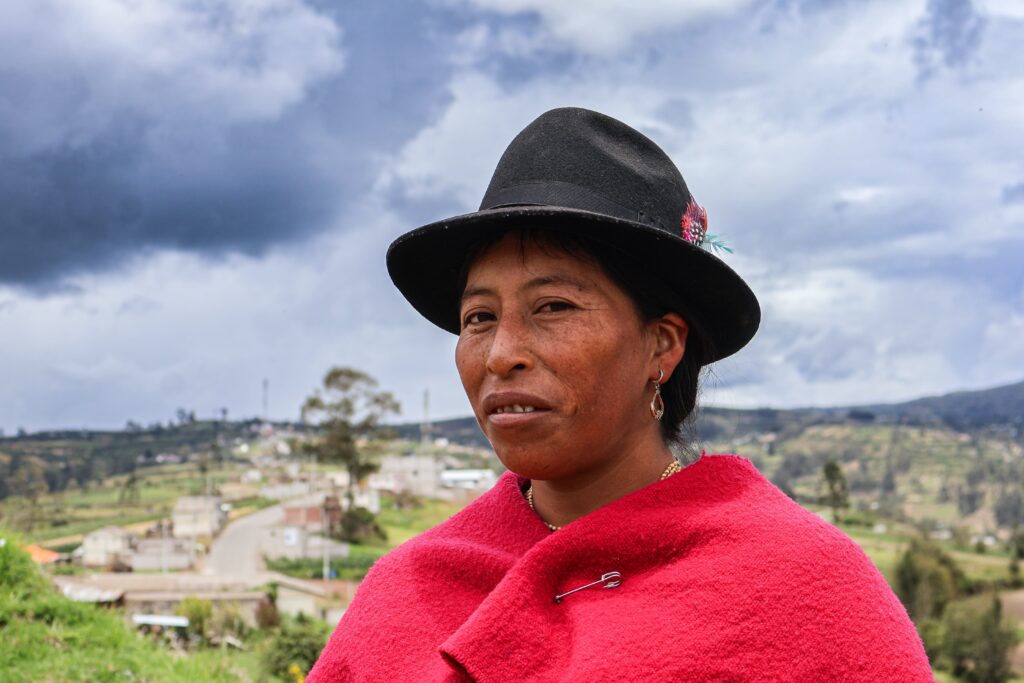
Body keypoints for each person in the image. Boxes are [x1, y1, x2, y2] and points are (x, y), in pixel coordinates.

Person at [307, 108, 932, 681]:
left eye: (554, 306)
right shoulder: (409, 587)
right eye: (478, 318)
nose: (501, 354)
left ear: (661, 345)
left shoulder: (803, 591)